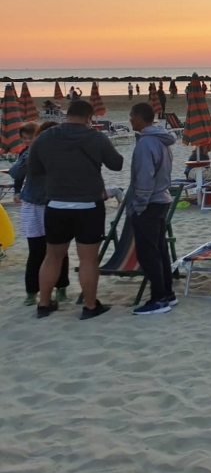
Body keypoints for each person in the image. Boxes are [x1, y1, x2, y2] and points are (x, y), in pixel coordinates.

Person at [28, 100, 123, 319]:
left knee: (52, 257)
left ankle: (44, 304)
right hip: (88, 205)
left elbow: (34, 169)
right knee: (88, 260)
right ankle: (89, 307)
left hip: (56, 205)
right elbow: (116, 164)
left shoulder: (45, 137)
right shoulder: (96, 137)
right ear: (89, 118)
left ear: (67, 114)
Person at [9, 122, 71, 306]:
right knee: (36, 250)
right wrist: (31, 152)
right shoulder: (30, 152)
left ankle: (61, 288)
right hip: (33, 203)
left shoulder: (63, 153)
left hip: (56, 203)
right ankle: (32, 291)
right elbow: (15, 173)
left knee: (59, 251)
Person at [127, 102, 177, 315]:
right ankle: (167, 293)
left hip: (150, 202)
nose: (130, 119)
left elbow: (145, 176)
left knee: (148, 253)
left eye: (132, 116)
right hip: (161, 199)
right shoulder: (161, 140)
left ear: (140, 118)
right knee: (159, 249)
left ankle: (159, 299)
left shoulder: (146, 143)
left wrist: (139, 205)